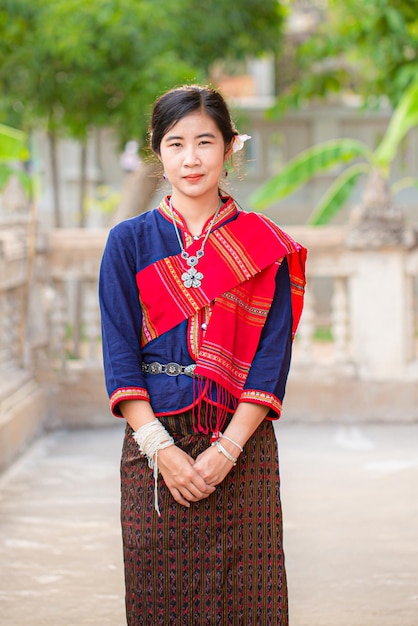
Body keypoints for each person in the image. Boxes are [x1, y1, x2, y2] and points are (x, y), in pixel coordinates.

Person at [99, 84, 307, 626]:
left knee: (248, 601)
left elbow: (271, 359)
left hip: (243, 447)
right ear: (157, 151)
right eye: (175, 144)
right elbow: (119, 355)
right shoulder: (128, 242)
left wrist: (228, 450)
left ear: (231, 146)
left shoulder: (264, 246)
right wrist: (161, 450)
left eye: (205, 142)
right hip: (154, 448)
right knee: (161, 601)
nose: (191, 158)